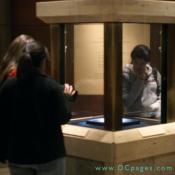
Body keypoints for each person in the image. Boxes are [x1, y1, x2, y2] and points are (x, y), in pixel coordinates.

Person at [0, 40, 74, 175]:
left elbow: (2, 121)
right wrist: (67, 98)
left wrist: (2, 151)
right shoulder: (51, 86)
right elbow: (62, 117)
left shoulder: (8, 86)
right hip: (49, 155)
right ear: (43, 61)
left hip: (18, 155)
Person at [122, 44, 161, 118]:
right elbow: (127, 102)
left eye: (142, 63)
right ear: (132, 61)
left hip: (154, 116)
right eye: (135, 62)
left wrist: (156, 106)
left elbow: (164, 94)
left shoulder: (155, 73)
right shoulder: (126, 75)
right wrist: (140, 80)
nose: (138, 66)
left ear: (147, 63)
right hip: (133, 118)